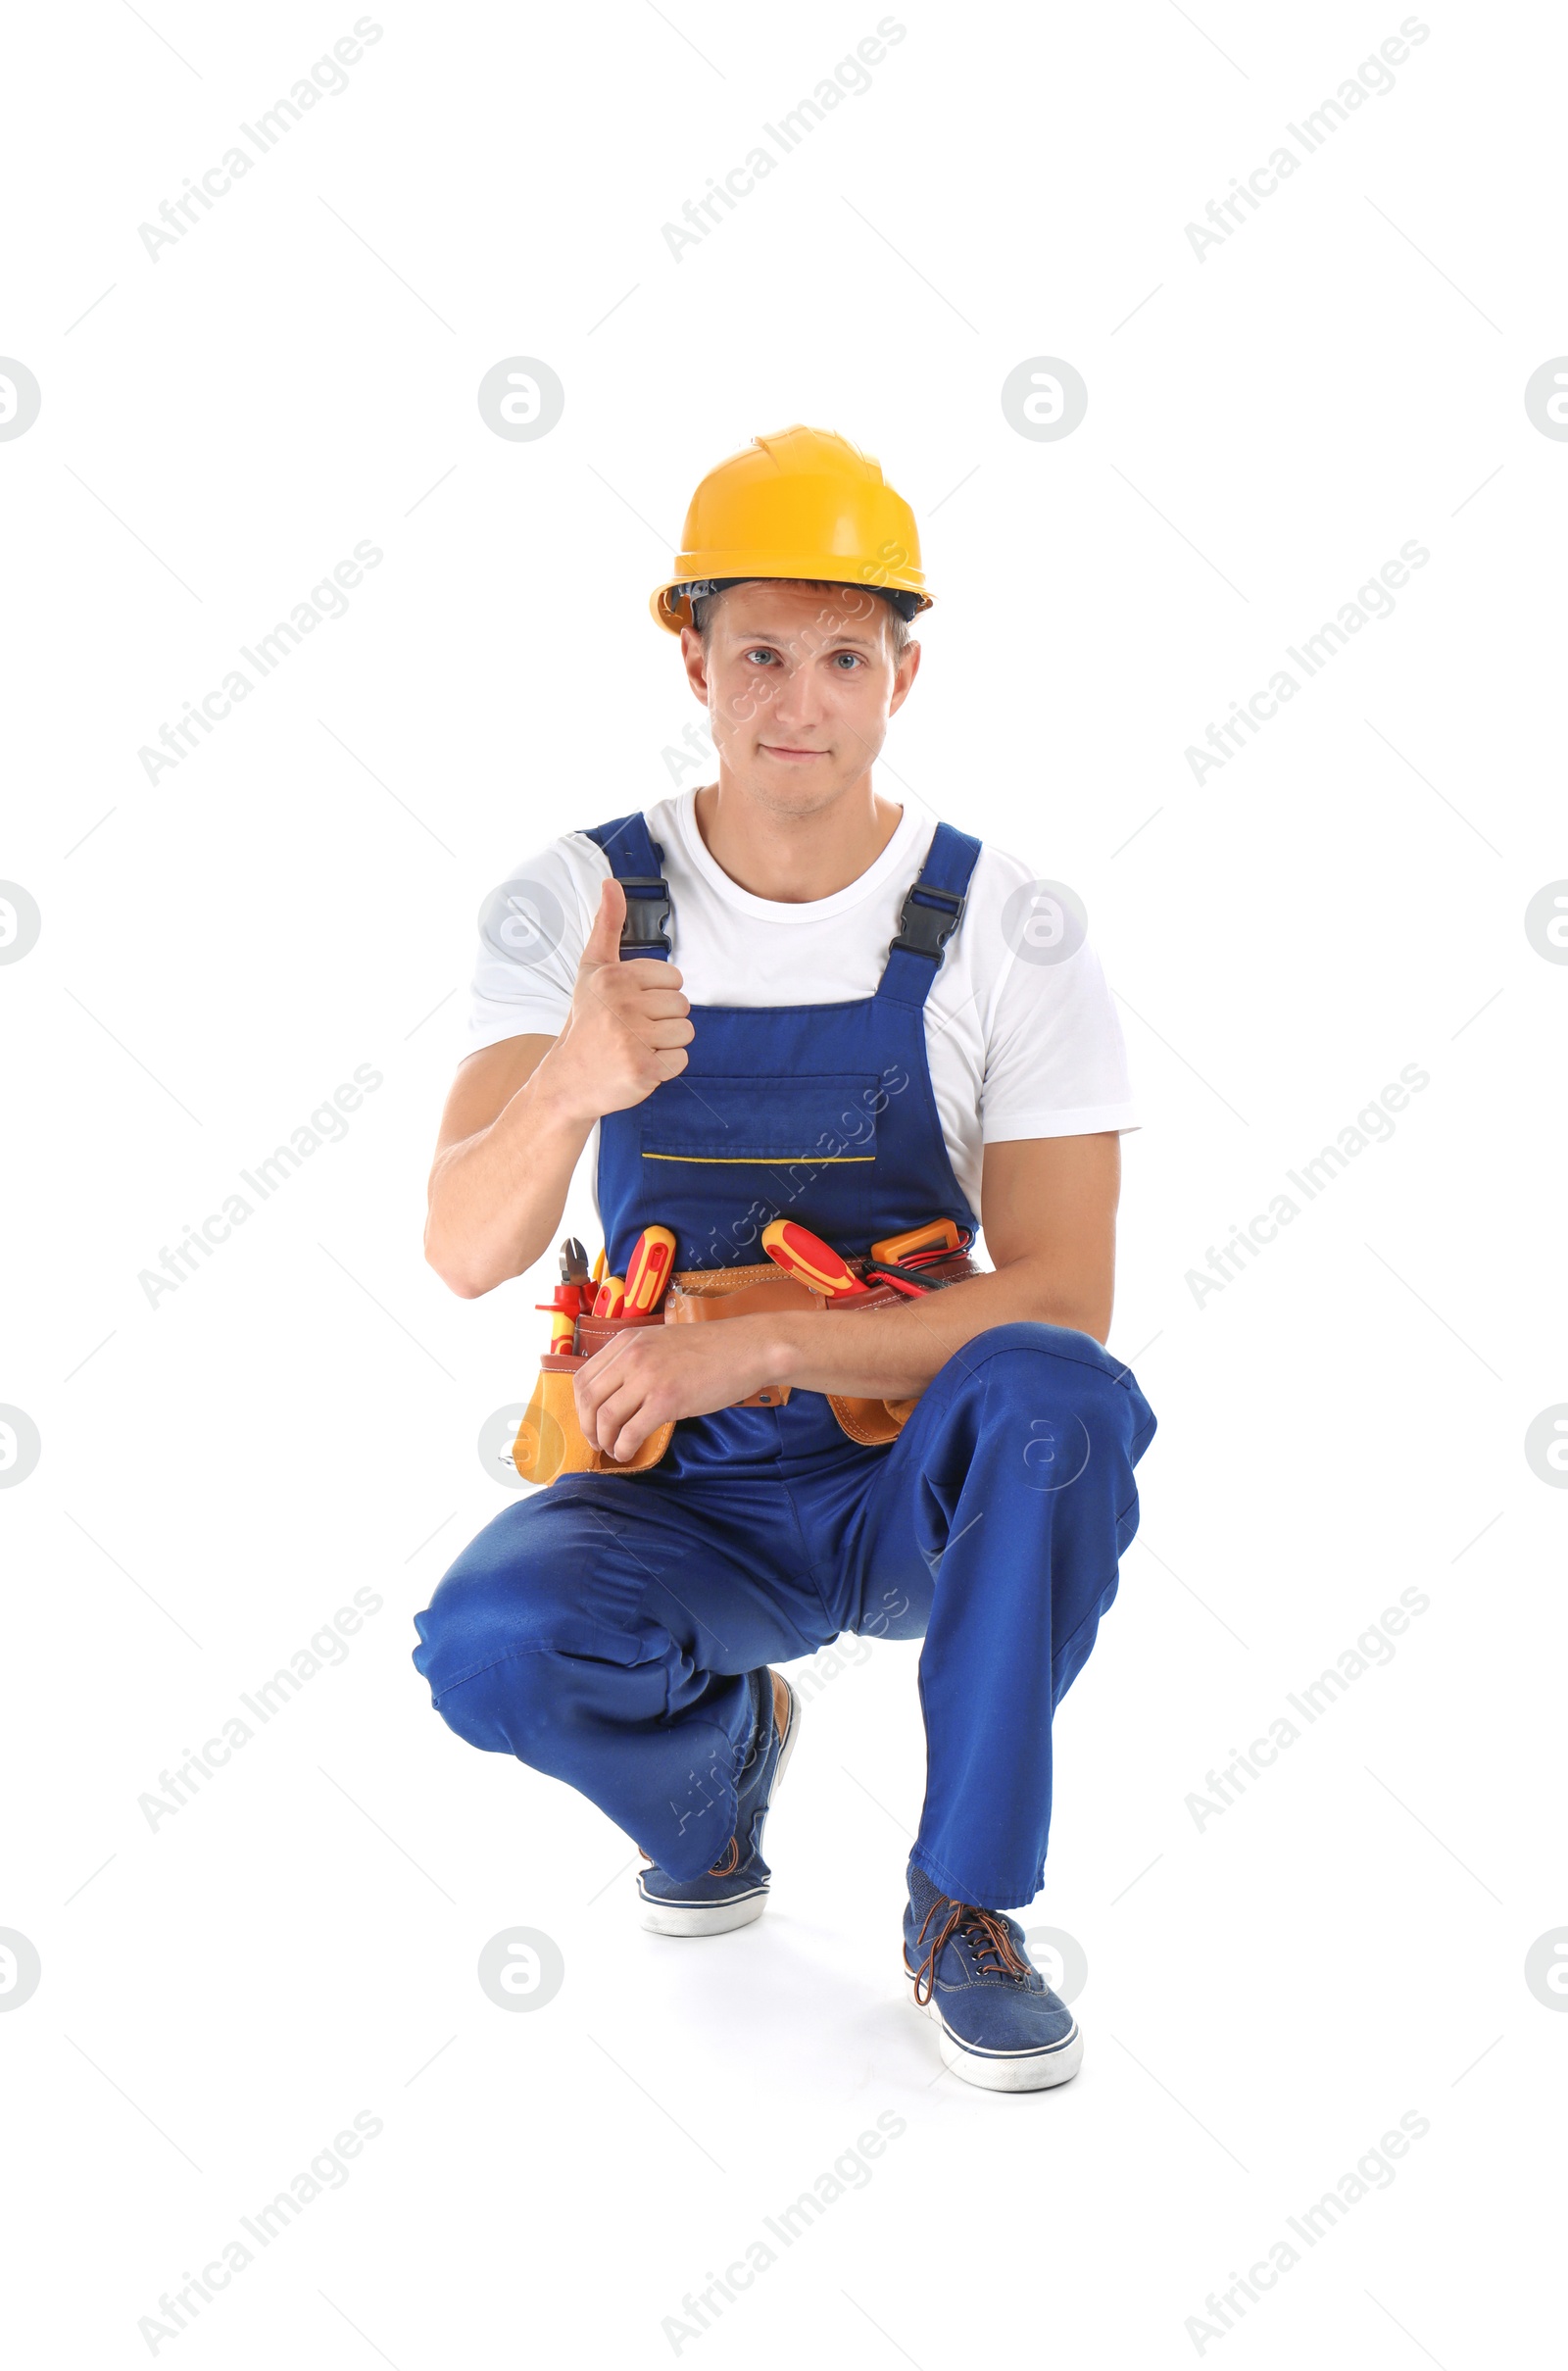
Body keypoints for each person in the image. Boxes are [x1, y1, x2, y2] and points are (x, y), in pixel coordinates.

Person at [413, 425, 1155, 2093]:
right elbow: (467, 1247)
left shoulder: (1003, 928)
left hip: (917, 1484)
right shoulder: (581, 900)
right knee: (490, 1642)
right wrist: (571, 1080)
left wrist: (754, 1347)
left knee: (1061, 1400)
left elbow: (1065, 1301)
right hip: (681, 1493)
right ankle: (724, 1769)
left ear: (904, 672)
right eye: (760, 653)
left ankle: (962, 1905)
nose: (798, 701)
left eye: (842, 656)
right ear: (692, 658)